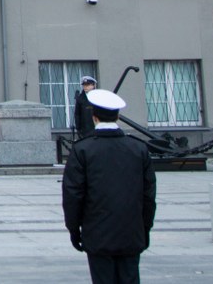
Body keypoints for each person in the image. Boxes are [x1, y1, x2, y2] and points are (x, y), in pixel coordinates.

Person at [62, 89, 156, 284]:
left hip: (97, 233)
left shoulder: (83, 149)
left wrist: (74, 229)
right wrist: (145, 227)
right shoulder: (138, 148)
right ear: (118, 116)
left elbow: (73, 194)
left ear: (94, 117)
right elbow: (148, 194)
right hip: (131, 231)